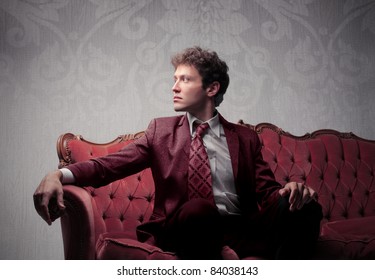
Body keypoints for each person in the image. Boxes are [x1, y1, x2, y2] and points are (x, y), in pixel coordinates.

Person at [33, 46, 322, 260]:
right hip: (186, 227)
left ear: (212, 88)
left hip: (240, 230)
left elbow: (268, 193)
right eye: (174, 79)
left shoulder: (244, 138)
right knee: (199, 210)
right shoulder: (161, 132)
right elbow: (108, 166)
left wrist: (292, 191)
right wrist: (57, 174)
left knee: (305, 206)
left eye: (185, 79)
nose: (174, 87)